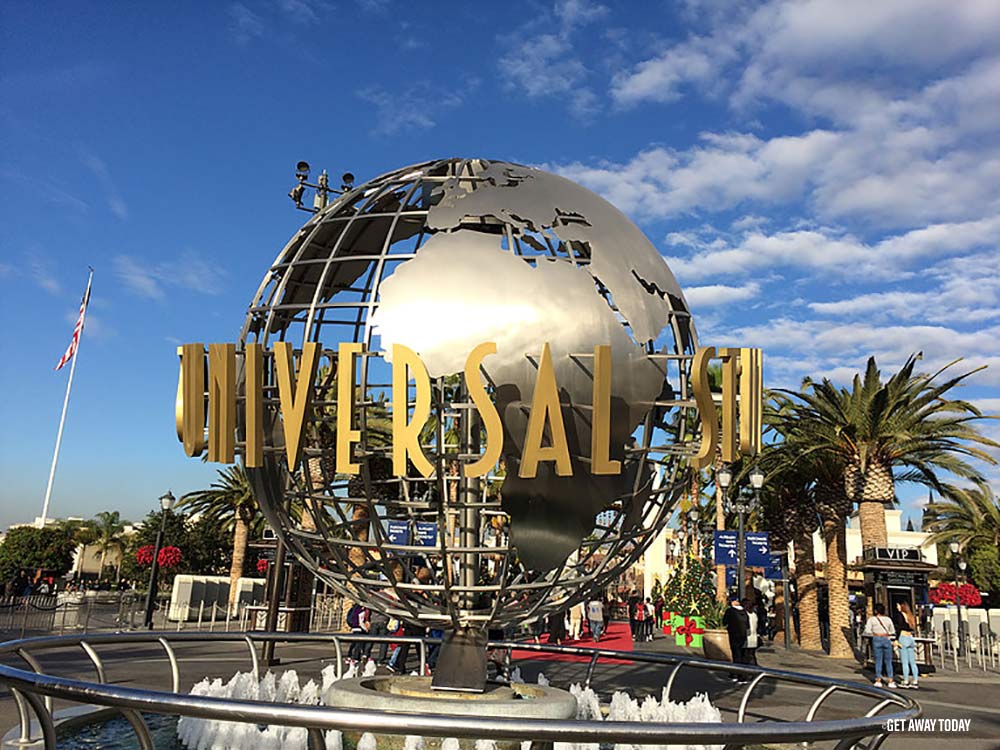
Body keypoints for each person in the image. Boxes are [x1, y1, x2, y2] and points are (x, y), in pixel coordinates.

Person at [864, 603, 897, 688]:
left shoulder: (872, 619)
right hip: (886, 638)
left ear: (875, 611)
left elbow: (867, 630)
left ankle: (878, 679)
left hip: (876, 638)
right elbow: (892, 630)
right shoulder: (888, 619)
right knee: (888, 661)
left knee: (878, 660)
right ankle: (890, 680)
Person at [722, 597, 750, 681]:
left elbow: (725, 622)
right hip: (743, 636)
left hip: (734, 635)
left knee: (735, 654)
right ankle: (742, 674)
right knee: (742, 655)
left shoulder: (730, 611)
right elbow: (748, 625)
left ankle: (735, 673)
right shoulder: (745, 612)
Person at [896, 623, 919, 689]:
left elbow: (899, 628)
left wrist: (896, 639)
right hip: (910, 637)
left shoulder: (899, 616)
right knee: (913, 662)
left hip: (903, 637)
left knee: (905, 662)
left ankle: (906, 680)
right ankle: (915, 681)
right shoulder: (910, 617)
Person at [742, 598, 759, 665]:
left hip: (747, 637)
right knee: (751, 655)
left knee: (746, 656)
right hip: (753, 638)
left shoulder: (745, 615)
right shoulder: (754, 614)